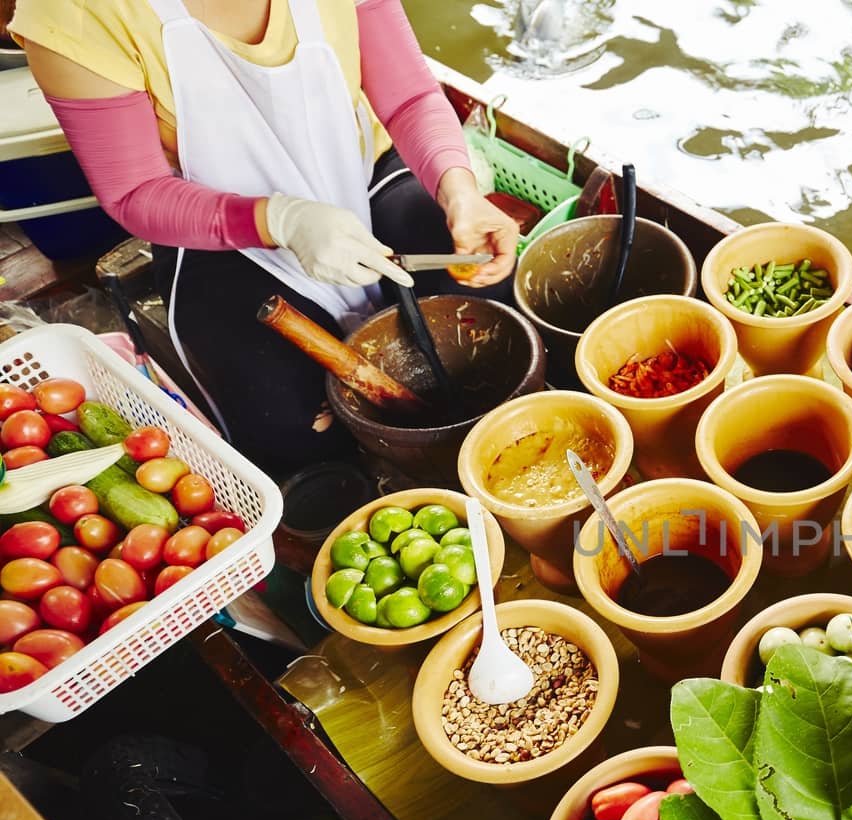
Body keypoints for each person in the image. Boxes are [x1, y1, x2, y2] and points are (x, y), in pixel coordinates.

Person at [10, 0, 523, 478]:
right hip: (212, 224)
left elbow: (410, 96)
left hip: (360, 171)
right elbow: (136, 191)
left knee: (488, 308)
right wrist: (282, 221)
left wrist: (458, 190)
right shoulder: (74, 11)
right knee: (286, 418)